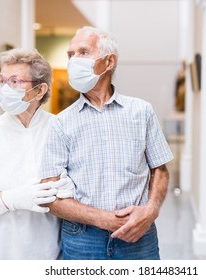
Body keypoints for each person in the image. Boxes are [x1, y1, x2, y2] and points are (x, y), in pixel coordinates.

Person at [41, 26, 174, 260]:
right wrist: (102, 219)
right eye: (70, 55)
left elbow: (160, 169)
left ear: (109, 61)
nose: (73, 61)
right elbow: (50, 196)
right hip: (83, 238)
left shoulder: (141, 111)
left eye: (83, 52)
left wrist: (151, 210)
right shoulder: (60, 123)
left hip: (138, 234)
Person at [0, 48, 74, 260]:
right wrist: (8, 199)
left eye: (15, 81)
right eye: (2, 80)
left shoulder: (60, 129)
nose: (5, 89)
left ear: (39, 90)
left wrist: (72, 189)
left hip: (45, 253)